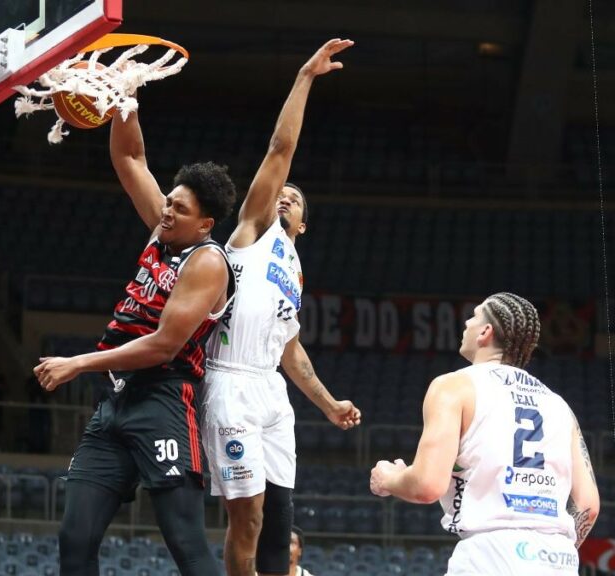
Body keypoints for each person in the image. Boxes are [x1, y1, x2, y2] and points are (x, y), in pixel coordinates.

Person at [189, 39, 358, 576]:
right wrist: (305, 77)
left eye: (297, 199)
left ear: (304, 224)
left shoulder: (293, 270)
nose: (286, 195)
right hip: (230, 381)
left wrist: (329, 404)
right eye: (284, 192)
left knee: (280, 516)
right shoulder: (254, 231)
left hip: (270, 388)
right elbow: (279, 151)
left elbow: (291, 352)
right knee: (249, 519)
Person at [34, 159, 237, 574]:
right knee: (75, 538)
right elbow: (130, 161)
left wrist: (78, 363)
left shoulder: (207, 262)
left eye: (181, 209)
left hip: (165, 401)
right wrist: (124, 98)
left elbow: (164, 345)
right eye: (168, 202)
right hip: (117, 401)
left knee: (187, 544)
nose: (167, 211)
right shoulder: (162, 231)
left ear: (204, 224)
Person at [369, 292, 600, 575]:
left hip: (490, 555)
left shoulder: (454, 386)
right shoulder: (559, 405)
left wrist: (389, 478)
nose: (466, 323)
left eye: (473, 316)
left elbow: (426, 486)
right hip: (558, 558)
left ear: (485, 332)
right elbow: (588, 506)